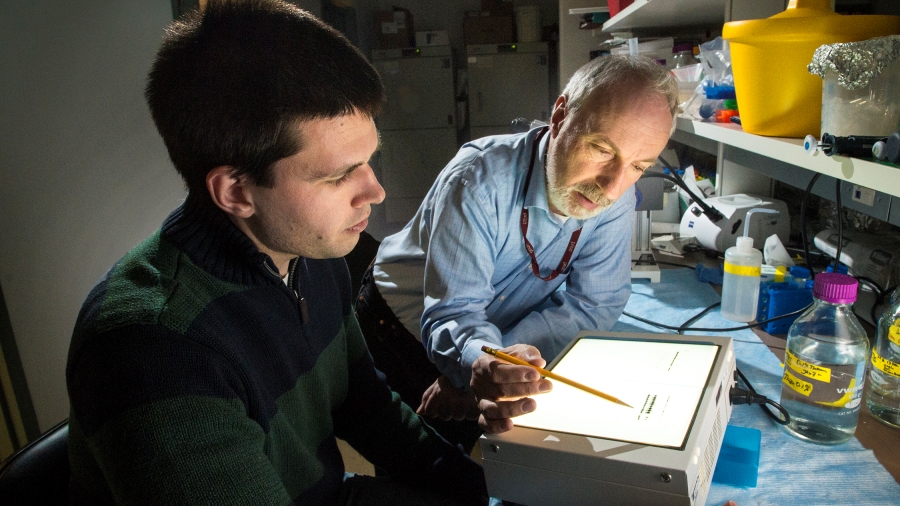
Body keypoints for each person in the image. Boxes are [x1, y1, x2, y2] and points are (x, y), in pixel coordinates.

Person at [65, 1, 487, 504]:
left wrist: (485, 491)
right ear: (236, 192)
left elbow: (364, 403)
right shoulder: (154, 350)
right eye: (337, 176)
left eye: (368, 161)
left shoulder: (314, 253)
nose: (374, 191)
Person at [355, 54, 680, 449]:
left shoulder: (617, 198)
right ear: (560, 115)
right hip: (400, 323)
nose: (611, 187)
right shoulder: (479, 180)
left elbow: (595, 303)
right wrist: (475, 365)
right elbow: (454, 311)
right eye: (602, 150)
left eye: (638, 166)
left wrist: (494, 365)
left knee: (497, 448)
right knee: (431, 469)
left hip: (483, 334)